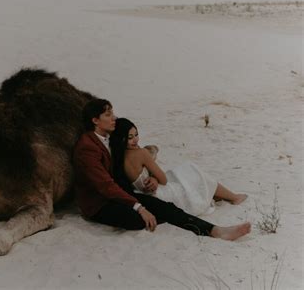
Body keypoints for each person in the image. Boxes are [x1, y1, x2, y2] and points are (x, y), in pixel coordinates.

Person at [73, 98, 251, 240]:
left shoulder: (112, 136)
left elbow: (137, 158)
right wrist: (139, 207)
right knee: (138, 218)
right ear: (95, 120)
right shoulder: (87, 148)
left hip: (122, 192)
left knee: (166, 207)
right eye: (108, 115)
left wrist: (154, 179)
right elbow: (105, 186)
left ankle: (214, 231)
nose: (114, 118)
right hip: (100, 204)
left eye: (113, 113)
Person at [109, 117, 248, 216]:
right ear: (121, 138)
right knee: (192, 171)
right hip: (161, 194)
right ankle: (234, 197)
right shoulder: (141, 153)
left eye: (136, 135)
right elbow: (163, 179)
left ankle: (219, 195)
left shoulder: (116, 157)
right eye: (130, 137)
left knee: (185, 172)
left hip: (144, 195)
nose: (136, 139)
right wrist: (156, 179)